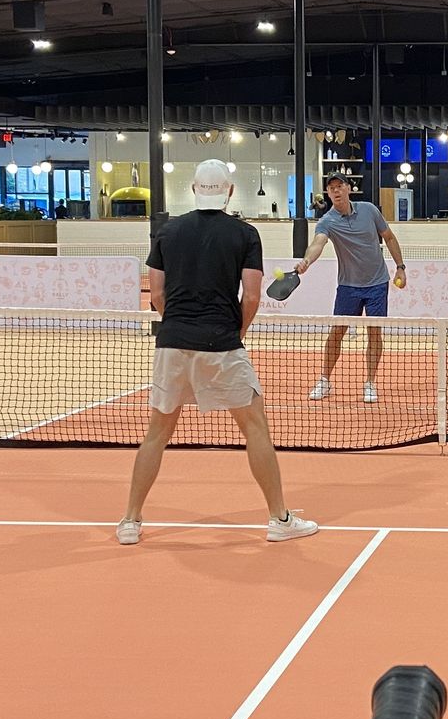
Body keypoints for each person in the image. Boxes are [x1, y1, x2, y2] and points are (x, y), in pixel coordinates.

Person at [117, 158, 318, 546]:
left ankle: (130, 520)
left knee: (156, 433)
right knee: (255, 426)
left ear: (194, 189)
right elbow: (253, 295)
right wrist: (235, 331)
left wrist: (178, 325)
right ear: (229, 191)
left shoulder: (168, 232)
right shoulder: (245, 234)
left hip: (171, 343)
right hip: (222, 344)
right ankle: (279, 518)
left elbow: (156, 294)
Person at [296, 174, 407, 404]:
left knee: (374, 333)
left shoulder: (369, 210)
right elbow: (318, 243)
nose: (336, 191)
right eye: (331, 188)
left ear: (348, 189)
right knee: (337, 333)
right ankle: (325, 380)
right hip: (348, 286)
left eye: (339, 186)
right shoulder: (327, 221)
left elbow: (389, 237)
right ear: (328, 194)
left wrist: (400, 267)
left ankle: (369, 383)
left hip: (377, 283)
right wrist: (306, 261)